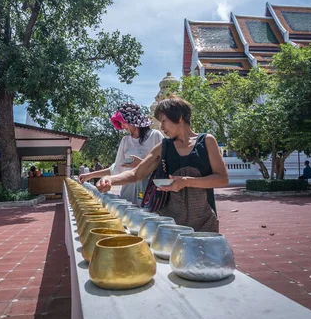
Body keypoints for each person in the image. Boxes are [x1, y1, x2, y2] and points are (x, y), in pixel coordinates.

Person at [97, 97, 229, 231]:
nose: (161, 127)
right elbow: (136, 174)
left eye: (164, 121)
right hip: (170, 223)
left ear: (179, 117)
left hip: (205, 221)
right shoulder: (164, 147)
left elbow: (222, 179)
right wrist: (109, 179)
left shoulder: (206, 141)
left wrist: (186, 181)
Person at [81, 103, 164, 204]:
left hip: (149, 192)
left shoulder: (155, 135)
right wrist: (90, 175)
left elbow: (166, 165)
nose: (121, 126)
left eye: (122, 122)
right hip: (128, 193)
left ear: (131, 119)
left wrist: (142, 163)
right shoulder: (125, 140)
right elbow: (116, 169)